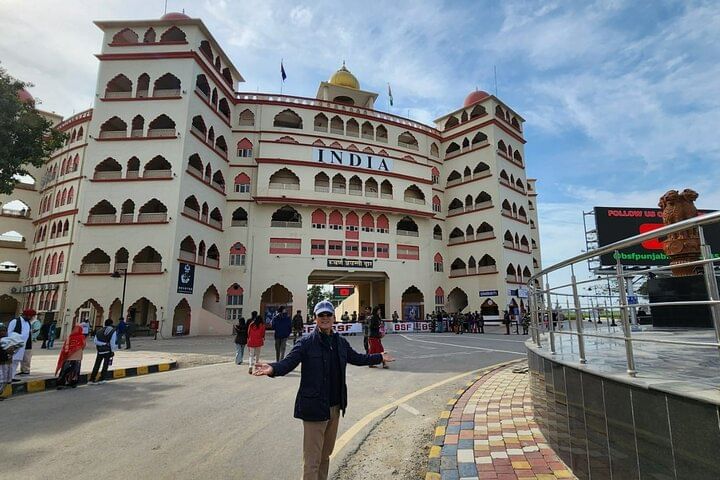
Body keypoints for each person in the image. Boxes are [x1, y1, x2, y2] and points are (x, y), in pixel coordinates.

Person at [253, 300, 394, 480]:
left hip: (334, 407)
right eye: (321, 315)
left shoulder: (340, 343)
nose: (325, 318)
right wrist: (273, 368)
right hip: (314, 408)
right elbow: (288, 363)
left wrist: (378, 357)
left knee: (325, 456)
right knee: (312, 461)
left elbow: (358, 358)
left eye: (328, 315)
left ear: (334, 318)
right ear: (315, 318)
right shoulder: (306, 343)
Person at [55, 324, 86, 389]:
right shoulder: (82, 337)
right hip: (78, 356)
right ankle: (73, 383)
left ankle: (61, 383)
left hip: (68, 355)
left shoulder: (70, 337)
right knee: (75, 369)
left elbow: (65, 346)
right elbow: (83, 345)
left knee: (65, 369)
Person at [7, 309, 34, 379]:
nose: (31, 318)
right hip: (15, 345)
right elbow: (9, 333)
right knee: (12, 361)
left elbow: (27, 334)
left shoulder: (28, 323)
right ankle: (8, 377)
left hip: (23, 346)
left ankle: (11, 377)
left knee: (16, 361)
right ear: (25, 315)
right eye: (30, 316)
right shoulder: (15, 321)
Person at [90, 319, 117, 384]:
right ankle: (102, 378)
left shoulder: (99, 331)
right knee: (105, 365)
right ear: (111, 324)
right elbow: (112, 342)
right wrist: (112, 351)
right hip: (107, 351)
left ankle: (92, 379)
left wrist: (102, 344)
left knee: (97, 364)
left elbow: (95, 341)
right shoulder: (112, 331)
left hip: (100, 350)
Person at [0, 324, 22, 400]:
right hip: (1, 364)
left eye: (4, 331)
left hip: (7, 363)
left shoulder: (8, 341)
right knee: (2, 380)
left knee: (6, 380)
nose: (3, 332)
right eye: (1, 331)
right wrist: (6, 351)